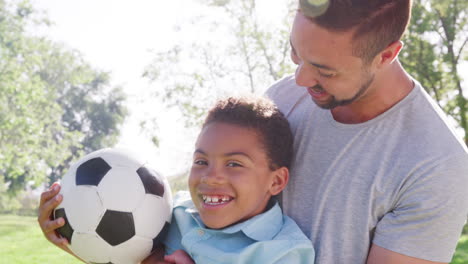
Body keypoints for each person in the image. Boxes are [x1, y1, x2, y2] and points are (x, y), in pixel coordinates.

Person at [265, 0, 468, 263]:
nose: (301, 79)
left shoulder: (438, 165)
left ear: (386, 55)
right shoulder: (280, 100)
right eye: (296, 54)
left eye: (325, 71)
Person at [38, 96, 315, 264]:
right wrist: (66, 236)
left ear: (276, 181)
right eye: (201, 161)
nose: (211, 177)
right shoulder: (171, 214)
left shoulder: (284, 252)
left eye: (234, 164)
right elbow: (116, 254)